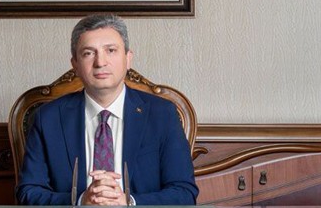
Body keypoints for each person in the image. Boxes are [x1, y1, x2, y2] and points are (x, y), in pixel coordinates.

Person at [16, 14, 198, 205]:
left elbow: (184, 193)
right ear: (75, 64)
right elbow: (28, 192)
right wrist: (80, 201)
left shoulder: (162, 114)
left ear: (128, 59)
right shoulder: (48, 118)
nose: (100, 62)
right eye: (88, 53)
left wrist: (129, 202)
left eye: (111, 50)